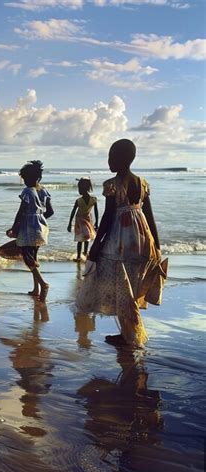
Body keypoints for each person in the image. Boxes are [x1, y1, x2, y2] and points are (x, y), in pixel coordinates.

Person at [76, 139, 161, 347]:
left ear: (123, 159)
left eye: (111, 157)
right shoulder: (143, 183)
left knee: (120, 286)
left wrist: (96, 246)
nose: (108, 161)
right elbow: (149, 216)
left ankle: (131, 337)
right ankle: (130, 334)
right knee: (130, 287)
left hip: (120, 241)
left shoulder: (111, 184)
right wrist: (157, 245)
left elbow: (107, 218)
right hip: (141, 240)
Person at [6, 160, 53, 302]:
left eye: (26, 178)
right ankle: (36, 288)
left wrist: (14, 228)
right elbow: (50, 211)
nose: (25, 181)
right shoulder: (43, 190)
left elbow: (21, 212)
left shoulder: (27, 191)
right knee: (34, 257)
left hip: (28, 228)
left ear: (34, 178)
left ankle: (43, 284)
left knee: (28, 257)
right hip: (41, 228)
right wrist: (39, 218)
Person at [67, 177, 99, 262]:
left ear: (84, 188)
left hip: (87, 220)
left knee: (86, 237)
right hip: (79, 221)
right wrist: (70, 223)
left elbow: (96, 212)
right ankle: (79, 256)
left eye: (80, 188)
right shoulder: (80, 200)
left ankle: (84, 254)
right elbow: (73, 212)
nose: (79, 190)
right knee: (80, 238)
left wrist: (97, 222)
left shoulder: (93, 200)